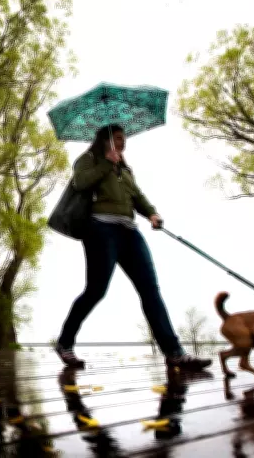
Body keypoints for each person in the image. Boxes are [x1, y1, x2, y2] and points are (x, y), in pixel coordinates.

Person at [55, 124, 212, 372]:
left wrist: (152, 213)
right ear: (104, 139)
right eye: (118, 138)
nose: (123, 142)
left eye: (124, 138)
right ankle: (64, 342)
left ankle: (174, 353)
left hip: (130, 231)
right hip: (100, 230)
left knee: (150, 290)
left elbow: (137, 195)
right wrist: (106, 163)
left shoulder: (124, 168)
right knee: (96, 290)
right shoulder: (87, 160)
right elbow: (80, 183)